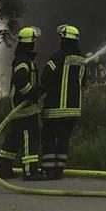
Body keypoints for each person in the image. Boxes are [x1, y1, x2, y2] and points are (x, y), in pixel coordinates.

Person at [0, 26, 48, 181]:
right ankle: (31, 172)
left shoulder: (23, 59)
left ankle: (3, 170)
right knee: (30, 137)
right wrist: (32, 94)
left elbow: (28, 82)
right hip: (25, 108)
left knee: (12, 139)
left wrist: (39, 88)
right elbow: (21, 82)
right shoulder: (22, 61)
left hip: (20, 107)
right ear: (31, 43)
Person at [39, 24, 89, 179]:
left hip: (54, 108)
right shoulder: (82, 61)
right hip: (73, 110)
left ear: (63, 40)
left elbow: (46, 78)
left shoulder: (57, 57)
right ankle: (59, 169)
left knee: (48, 137)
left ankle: (48, 169)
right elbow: (83, 82)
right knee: (63, 139)